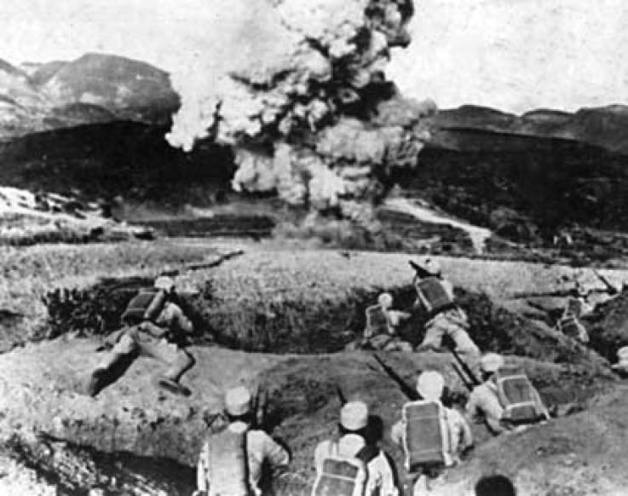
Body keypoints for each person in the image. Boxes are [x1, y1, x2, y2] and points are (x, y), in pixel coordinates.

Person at [86, 276, 196, 397]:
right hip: (150, 338)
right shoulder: (172, 307)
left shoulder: (140, 300)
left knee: (119, 356)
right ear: (170, 290)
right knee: (185, 359)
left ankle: (101, 369)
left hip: (130, 333)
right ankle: (169, 377)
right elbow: (189, 328)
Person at [195, 386, 290, 496]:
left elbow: (201, 486)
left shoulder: (210, 443)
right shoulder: (259, 438)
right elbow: (283, 459)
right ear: (251, 413)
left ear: (226, 415)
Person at [391, 371, 473, 495]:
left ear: (419, 391)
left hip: (422, 475)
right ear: (442, 391)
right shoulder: (453, 415)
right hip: (449, 470)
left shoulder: (407, 420)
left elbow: (395, 436)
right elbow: (468, 442)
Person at [313, 401, 399, 496]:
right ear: (367, 429)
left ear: (339, 428)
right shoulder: (378, 458)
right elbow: (389, 492)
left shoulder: (323, 449)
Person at [466, 353, 549, 435]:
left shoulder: (479, 391)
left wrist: (485, 414)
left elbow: (473, 418)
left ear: (483, 372)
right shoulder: (523, 381)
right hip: (539, 427)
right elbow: (540, 406)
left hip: (509, 433)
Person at [411, 258, 480, 357]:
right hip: (453, 314)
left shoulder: (423, 285)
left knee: (430, 342)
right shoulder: (446, 283)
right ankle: (470, 351)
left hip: (438, 317)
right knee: (459, 336)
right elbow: (451, 298)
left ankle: (430, 352)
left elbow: (419, 305)